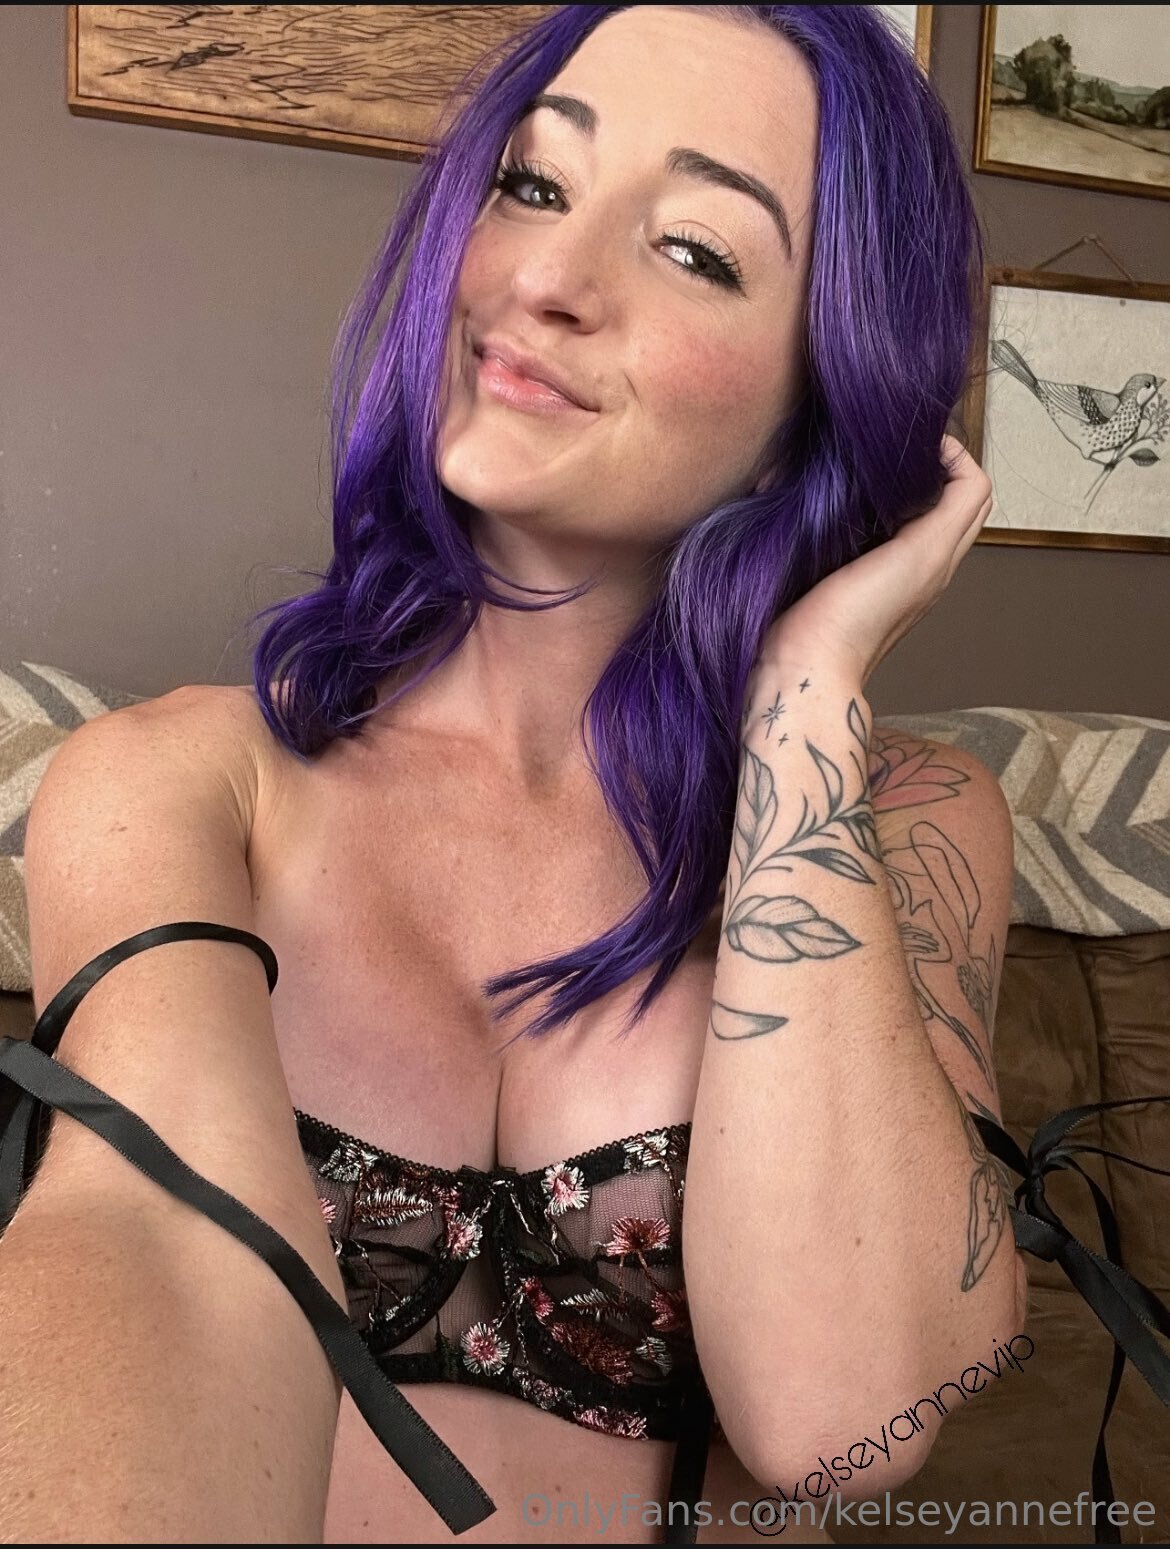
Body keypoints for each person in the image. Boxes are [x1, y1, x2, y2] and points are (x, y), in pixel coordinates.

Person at [8, 4, 1134, 1543]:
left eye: (694, 250)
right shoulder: (178, 784)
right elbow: (137, 1249)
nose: (546, 276)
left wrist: (808, 693)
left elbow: (836, 1418)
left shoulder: (905, 816)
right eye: (531, 184)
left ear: (814, 402)